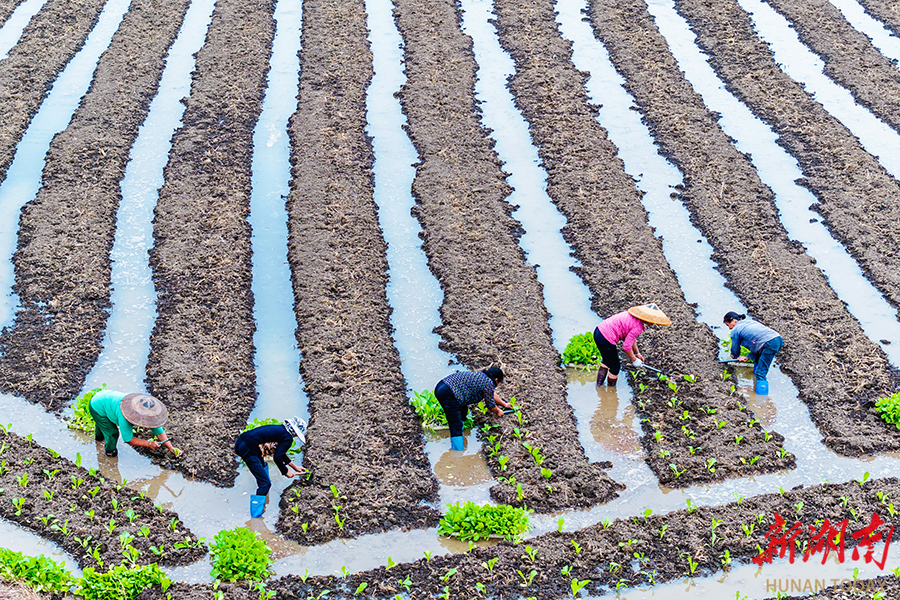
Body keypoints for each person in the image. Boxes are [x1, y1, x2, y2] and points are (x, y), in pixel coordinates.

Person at [235, 418, 307, 517]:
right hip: (248, 449)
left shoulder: (280, 430)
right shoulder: (288, 438)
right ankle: (256, 517)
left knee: (262, 465)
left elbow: (280, 453)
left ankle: (264, 497)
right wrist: (285, 471)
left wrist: (294, 467)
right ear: (295, 433)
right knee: (265, 484)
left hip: (241, 442)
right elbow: (277, 457)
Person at [435, 366, 512, 451]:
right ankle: (458, 452)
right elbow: (491, 406)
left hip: (441, 385)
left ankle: (461, 432)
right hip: (448, 394)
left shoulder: (482, 377)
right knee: (455, 423)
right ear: (496, 380)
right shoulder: (489, 383)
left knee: (463, 410)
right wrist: (498, 411)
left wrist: (504, 404)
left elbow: (492, 394)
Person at [593, 303, 671, 386]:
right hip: (606, 338)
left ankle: (599, 386)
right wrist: (634, 360)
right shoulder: (638, 327)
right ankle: (609, 393)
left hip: (598, 332)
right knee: (615, 368)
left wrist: (637, 353)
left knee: (607, 361)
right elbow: (626, 347)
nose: (653, 323)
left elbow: (631, 339)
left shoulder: (632, 317)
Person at [89, 390, 181, 458]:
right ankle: (110, 453)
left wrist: (171, 447)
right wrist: (149, 444)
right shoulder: (125, 415)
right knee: (112, 433)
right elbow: (128, 439)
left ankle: (99, 438)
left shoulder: (141, 405)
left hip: (106, 398)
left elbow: (158, 430)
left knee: (103, 426)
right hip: (97, 406)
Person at [723, 311, 783, 394]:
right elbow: (757, 344)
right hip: (777, 339)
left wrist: (735, 357)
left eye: (728, 325)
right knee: (758, 362)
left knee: (761, 374)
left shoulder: (735, 330)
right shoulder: (749, 322)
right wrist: (748, 357)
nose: (729, 328)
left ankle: (761, 401)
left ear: (733, 320)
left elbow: (735, 348)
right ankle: (755, 383)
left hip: (769, 343)